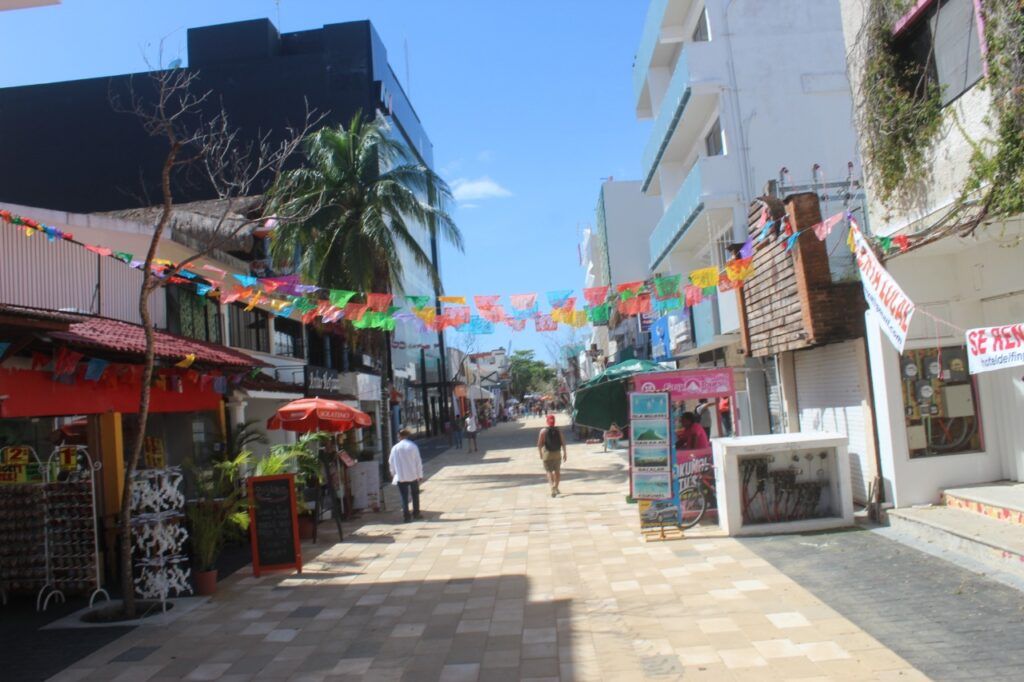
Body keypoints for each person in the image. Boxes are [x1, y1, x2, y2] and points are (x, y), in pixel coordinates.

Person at [388, 429, 424, 523]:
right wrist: (419, 474)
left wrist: (393, 473)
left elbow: (391, 462)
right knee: (415, 495)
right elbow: (418, 462)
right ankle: (416, 513)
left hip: (401, 475)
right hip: (412, 475)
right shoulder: (412, 446)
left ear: (399, 436)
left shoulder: (395, 448)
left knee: (404, 496)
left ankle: (406, 515)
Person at [537, 414, 567, 497]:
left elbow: (539, 444)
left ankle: (552, 486)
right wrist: (565, 453)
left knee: (548, 471)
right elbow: (563, 442)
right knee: (557, 471)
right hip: (557, 453)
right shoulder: (558, 430)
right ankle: (556, 487)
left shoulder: (543, 431)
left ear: (547, 421)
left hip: (547, 454)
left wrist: (540, 453)